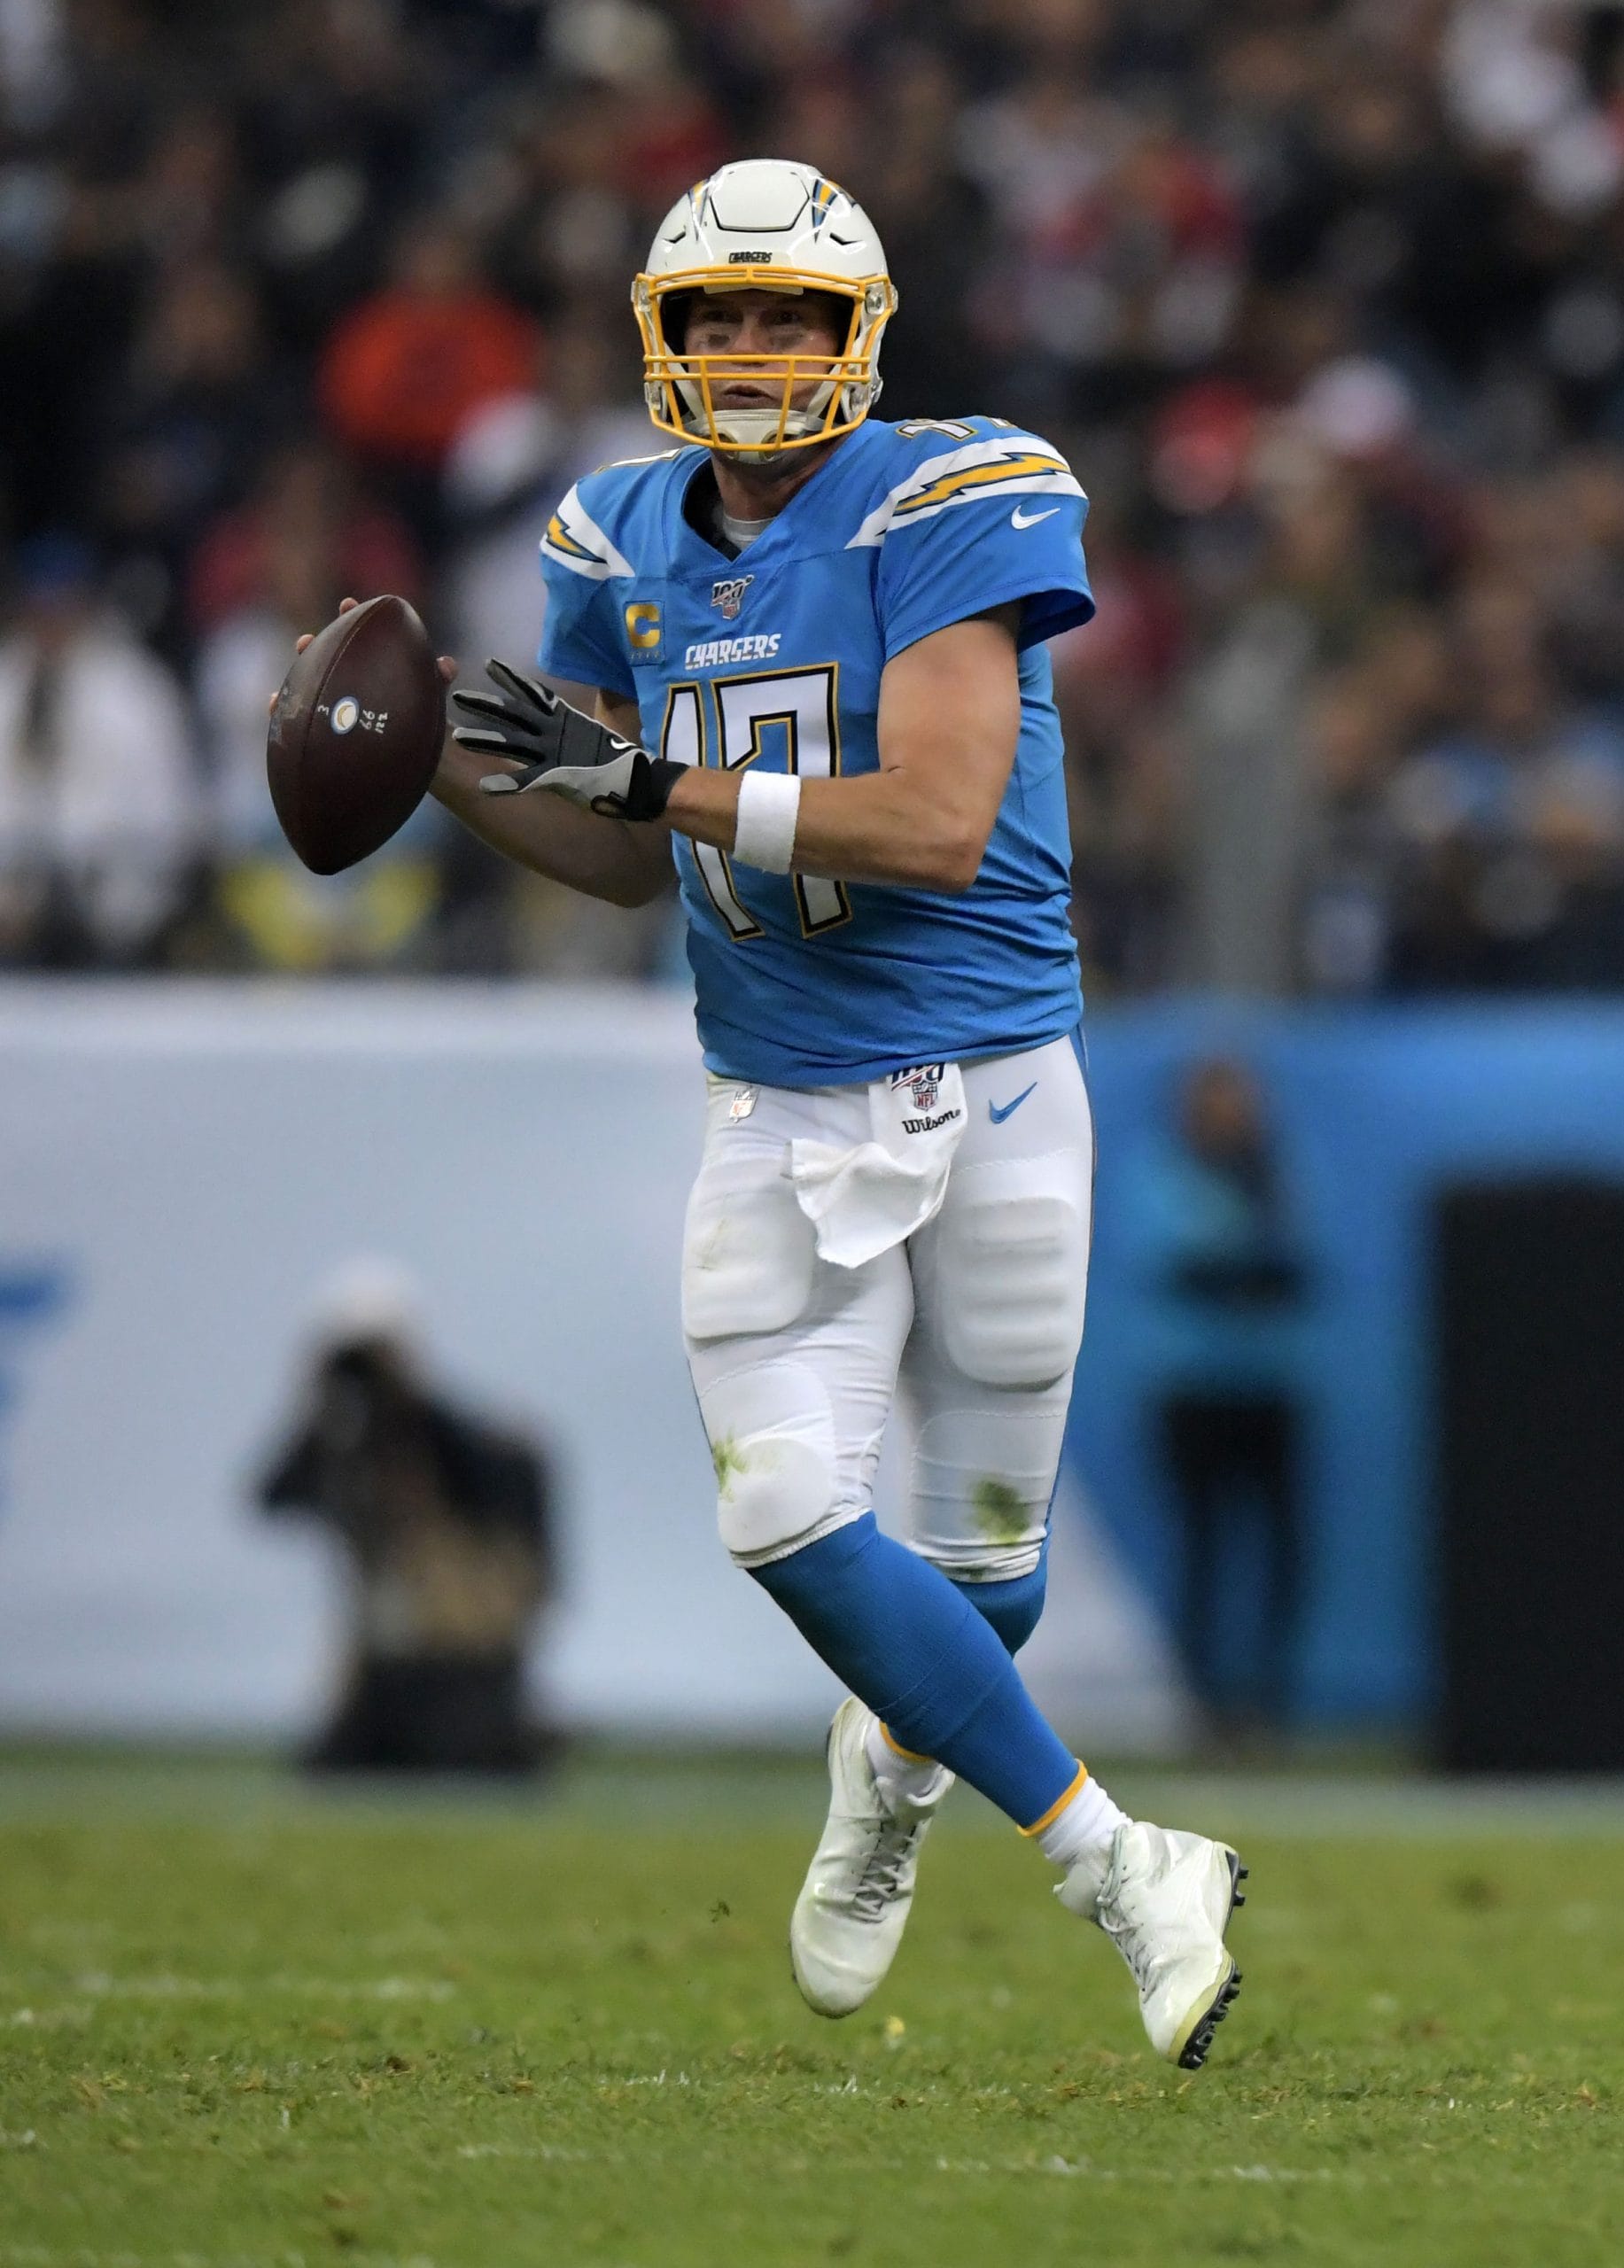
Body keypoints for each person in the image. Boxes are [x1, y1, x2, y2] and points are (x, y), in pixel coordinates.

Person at [288, 162, 1246, 2069]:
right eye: (715, 313)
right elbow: (621, 851)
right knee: (790, 1511)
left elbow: (934, 818)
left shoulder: (955, 489)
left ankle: (888, 1786)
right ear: (660, 336)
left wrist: (650, 775)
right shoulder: (612, 532)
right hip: (780, 1108)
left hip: (992, 1095)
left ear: (855, 338)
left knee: (992, 1571)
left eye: (786, 316)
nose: (749, 347)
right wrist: (452, 765)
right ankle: (1122, 1861)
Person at [256, 1262, 558, 1776]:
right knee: (333, 1773)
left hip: (465, 1666)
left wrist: (409, 1395)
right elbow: (271, 1497)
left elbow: (494, 1487)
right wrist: (320, 1406)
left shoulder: (470, 1445)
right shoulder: (347, 1444)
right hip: (383, 1669)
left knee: (469, 1770)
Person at [1119, 1058, 1312, 1745]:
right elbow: (1178, 1264)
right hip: (1195, 1392)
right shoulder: (1164, 1171)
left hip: (1268, 1388)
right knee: (1201, 1551)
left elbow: (1299, 1268)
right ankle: (1200, 1704)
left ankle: (1268, 1701)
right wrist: (1243, 1271)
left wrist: (1243, 1271)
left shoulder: (1273, 1174)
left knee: (1281, 1552)